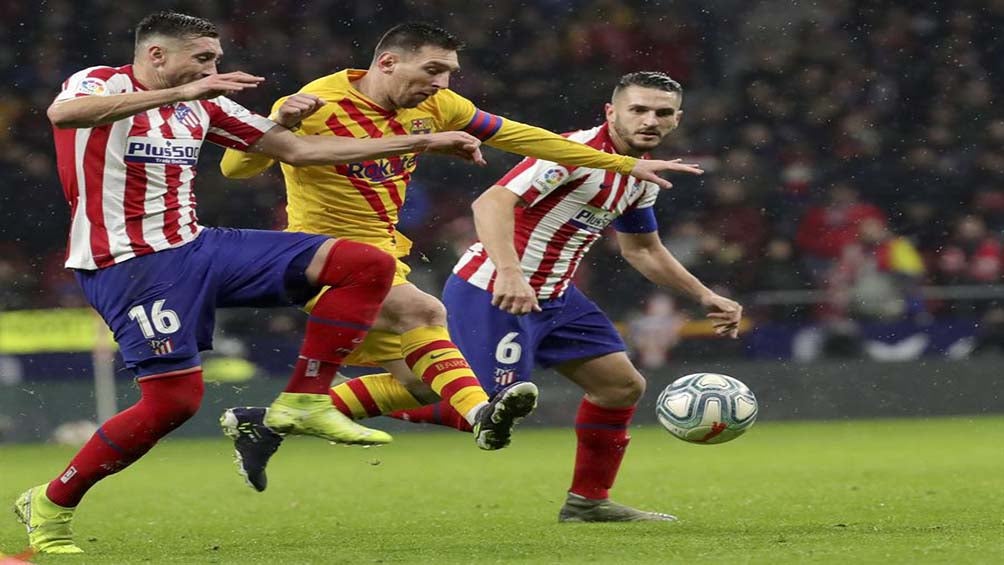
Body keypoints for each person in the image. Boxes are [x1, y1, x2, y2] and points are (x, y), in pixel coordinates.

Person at [13, 11, 492, 555]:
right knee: (174, 402)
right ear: (156, 56)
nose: (215, 68)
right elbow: (65, 113)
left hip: (199, 246)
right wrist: (189, 91)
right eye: (203, 58)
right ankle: (51, 502)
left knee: (365, 264)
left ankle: (304, 401)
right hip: (128, 262)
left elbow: (299, 150)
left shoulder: (204, 101)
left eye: (216, 58)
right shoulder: (102, 81)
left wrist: (415, 145)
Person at [232, 71, 741, 522]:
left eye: (662, 112)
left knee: (620, 387)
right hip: (494, 290)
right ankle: (272, 419)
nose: (650, 120)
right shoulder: (571, 153)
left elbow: (643, 249)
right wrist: (510, 272)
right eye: (638, 109)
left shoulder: (641, 176)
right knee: (470, 406)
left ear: (677, 120)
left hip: (557, 297)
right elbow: (491, 201)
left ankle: (588, 502)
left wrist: (704, 295)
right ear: (612, 111)